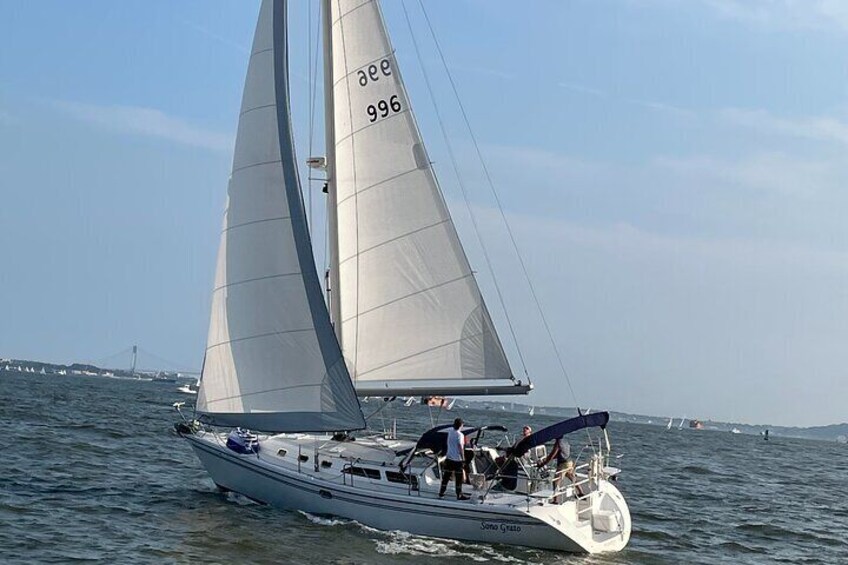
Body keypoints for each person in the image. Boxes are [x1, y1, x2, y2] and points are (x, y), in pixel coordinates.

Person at [536, 436, 580, 501]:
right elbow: (560, 454)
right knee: (572, 477)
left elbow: (552, 455)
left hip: (563, 464)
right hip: (570, 462)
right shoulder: (565, 441)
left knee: (556, 481)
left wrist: (543, 463)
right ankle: (581, 492)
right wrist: (547, 459)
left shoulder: (558, 443)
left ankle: (555, 500)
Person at [439, 418, 470, 500]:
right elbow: (460, 446)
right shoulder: (460, 435)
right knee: (458, 478)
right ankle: (459, 495)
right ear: (461, 425)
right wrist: (463, 458)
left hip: (449, 458)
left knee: (446, 477)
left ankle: (441, 492)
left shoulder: (450, 433)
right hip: (457, 460)